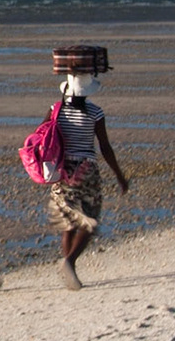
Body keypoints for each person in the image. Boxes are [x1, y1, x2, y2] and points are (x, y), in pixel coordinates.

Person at [50, 73, 130, 289]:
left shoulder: (56, 110)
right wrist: (119, 175)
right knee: (90, 222)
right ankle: (70, 262)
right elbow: (105, 147)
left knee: (69, 223)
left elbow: (43, 135)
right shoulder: (95, 112)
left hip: (62, 172)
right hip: (86, 173)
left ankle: (70, 271)